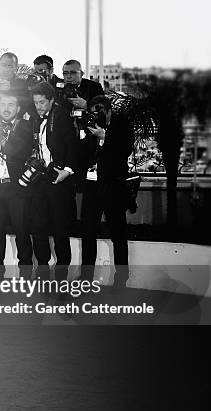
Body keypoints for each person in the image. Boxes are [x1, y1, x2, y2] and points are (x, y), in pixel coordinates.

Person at [80, 95, 133, 285]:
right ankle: (85, 278)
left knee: (119, 234)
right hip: (92, 187)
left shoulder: (122, 124)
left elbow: (125, 149)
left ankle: (122, 279)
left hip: (113, 186)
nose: (97, 115)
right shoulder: (89, 124)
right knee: (87, 234)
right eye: (94, 111)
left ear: (109, 111)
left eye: (101, 111)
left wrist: (105, 137)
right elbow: (82, 152)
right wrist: (86, 133)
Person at [25, 82, 78, 273]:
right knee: (38, 227)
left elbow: (73, 146)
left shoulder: (61, 116)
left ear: (51, 100)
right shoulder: (35, 118)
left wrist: (68, 170)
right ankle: (42, 269)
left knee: (60, 230)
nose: (38, 106)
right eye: (36, 102)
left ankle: (62, 273)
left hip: (58, 179)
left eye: (41, 102)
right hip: (40, 179)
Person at [0, 92, 34, 272]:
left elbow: (19, 151)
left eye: (11, 104)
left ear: (18, 109)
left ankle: (26, 274)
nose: (6, 108)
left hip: (16, 186)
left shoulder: (25, 127)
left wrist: (2, 138)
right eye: (3, 104)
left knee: (22, 232)